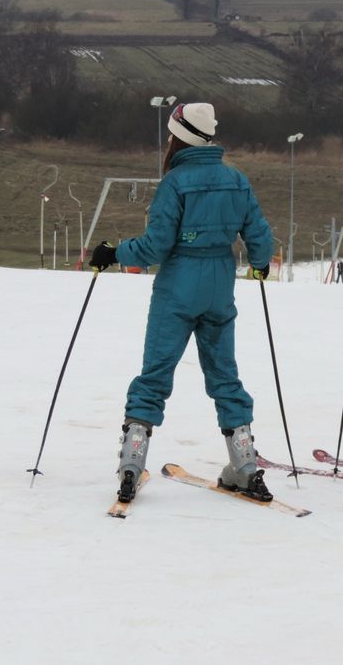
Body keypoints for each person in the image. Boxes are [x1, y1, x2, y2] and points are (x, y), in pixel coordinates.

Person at [88, 102, 275, 503]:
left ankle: (131, 464)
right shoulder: (237, 180)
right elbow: (260, 236)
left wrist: (113, 252)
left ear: (179, 137)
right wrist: (259, 266)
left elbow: (156, 245)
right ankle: (245, 465)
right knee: (225, 375)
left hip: (178, 288)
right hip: (219, 287)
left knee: (155, 374)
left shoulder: (175, 183)